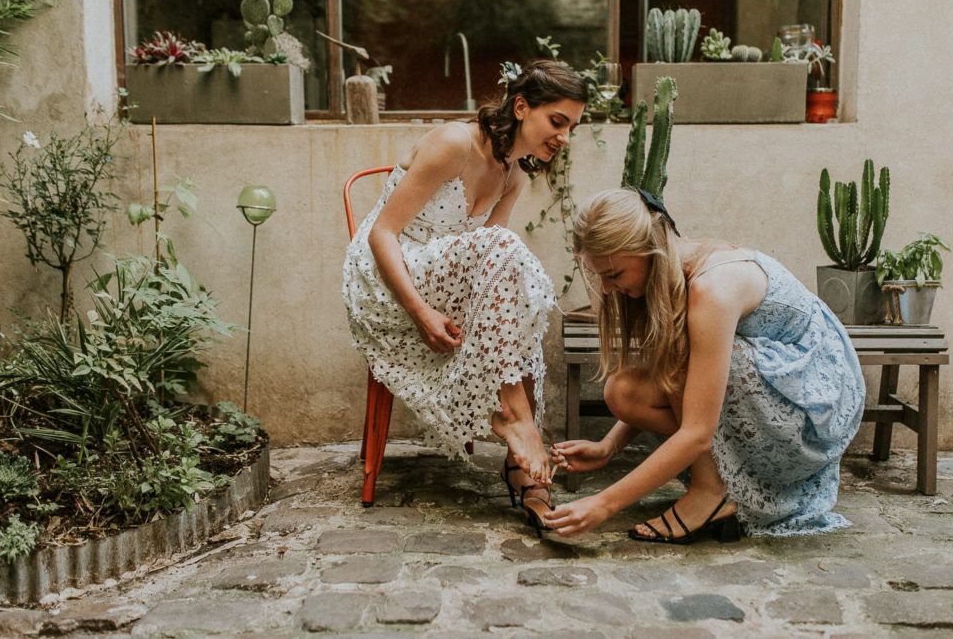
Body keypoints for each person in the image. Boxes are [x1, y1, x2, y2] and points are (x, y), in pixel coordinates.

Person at [342, 60, 587, 532]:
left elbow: (491, 274)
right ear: (521, 107)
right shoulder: (454, 143)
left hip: (443, 282)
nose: (565, 137)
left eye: (572, 127)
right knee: (505, 251)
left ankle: (518, 446)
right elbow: (382, 235)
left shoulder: (514, 175)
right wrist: (421, 313)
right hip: (385, 280)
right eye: (558, 121)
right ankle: (517, 423)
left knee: (512, 287)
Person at [544, 188, 865, 542]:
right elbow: (671, 386)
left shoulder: (712, 289)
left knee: (682, 358)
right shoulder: (674, 271)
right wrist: (608, 447)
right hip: (779, 388)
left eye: (615, 274)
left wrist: (604, 504)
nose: (605, 289)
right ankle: (716, 484)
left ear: (649, 250)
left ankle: (709, 492)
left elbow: (697, 432)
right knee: (623, 392)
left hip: (814, 406)